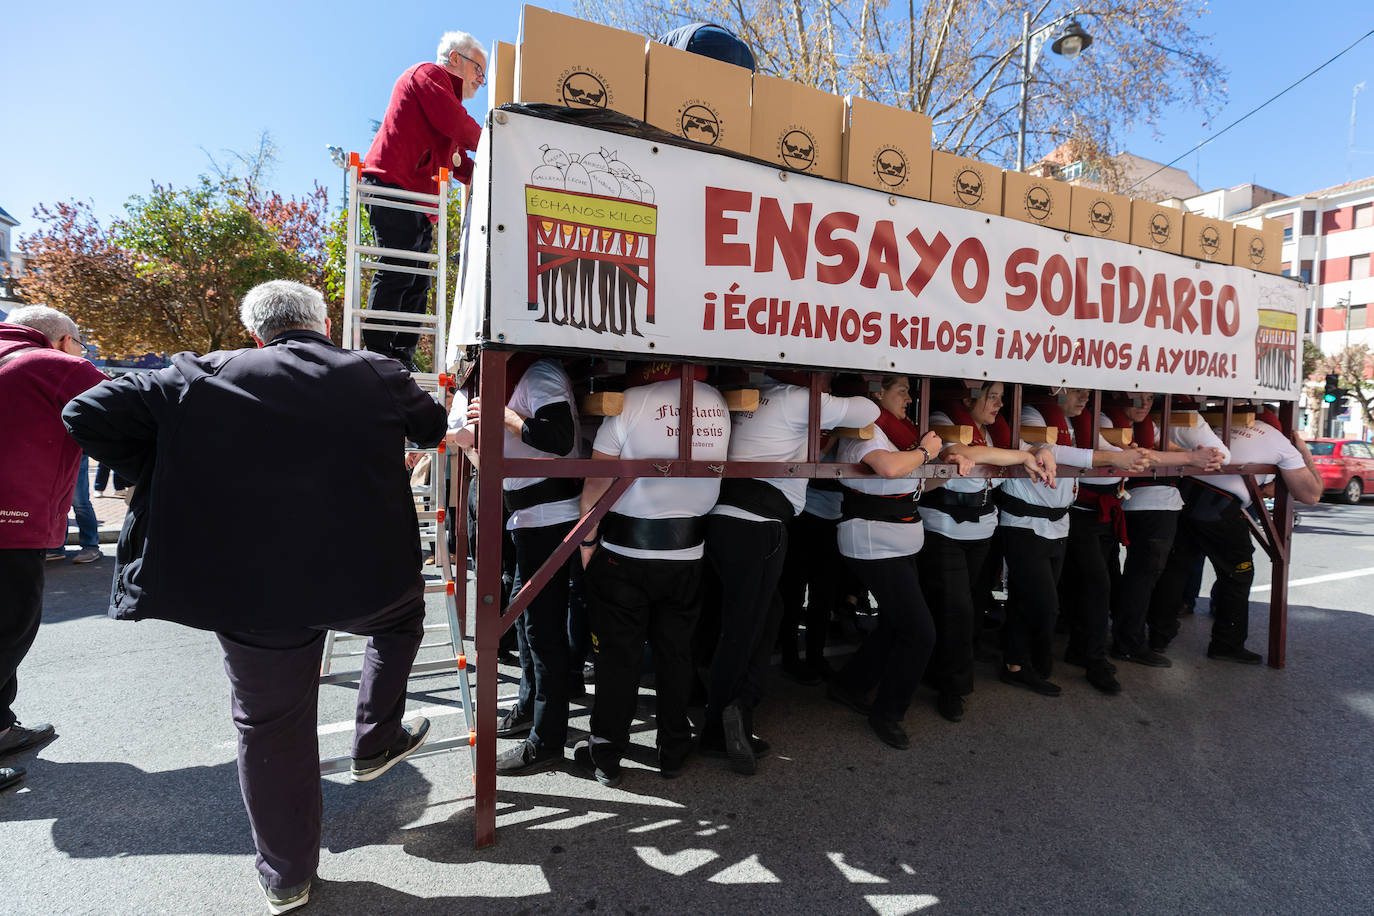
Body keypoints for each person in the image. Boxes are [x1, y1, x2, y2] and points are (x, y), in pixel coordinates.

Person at [63, 281, 447, 914]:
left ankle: (286, 876)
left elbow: (84, 413)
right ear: (324, 324)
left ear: (254, 333)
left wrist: (165, 469)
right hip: (365, 578)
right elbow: (432, 427)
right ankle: (375, 736)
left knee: (270, 729)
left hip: (253, 594)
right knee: (403, 620)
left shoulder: (193, 375)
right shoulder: (372, 371)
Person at [701, 370, 878, 775]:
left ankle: (735, 708)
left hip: (723, 518)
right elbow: (866, 409)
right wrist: (826, 401)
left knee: (767, 615)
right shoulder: (799, 397)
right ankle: (722, 722)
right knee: (743, 628)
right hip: (759, 524)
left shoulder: (751, 393)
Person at [574, 363, 730, 787]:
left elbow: (594, 488)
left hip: (626, 554)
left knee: (618, 658)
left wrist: (587, 544)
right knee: (676, 654)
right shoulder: (717, 402)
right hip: (688, 552)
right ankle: (674, 749)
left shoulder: (630, 404)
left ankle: (606, 754)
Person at [447, 355, 584, 775]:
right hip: (529, 516)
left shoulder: (539, 374)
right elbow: (463, 438)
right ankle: (530, 708)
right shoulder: (521, 376)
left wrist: (499, 415)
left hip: (550, 515)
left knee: (542, 630)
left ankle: (547, 737)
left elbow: (559, 438)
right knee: (528, 625)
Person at [825, 376, 976, 750]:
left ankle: (849, 686)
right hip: (872, 541)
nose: (911, 398)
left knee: (897, 624)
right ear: (877, 394)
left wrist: (948, 467)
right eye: (903, 390)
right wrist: (926, 452)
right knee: (920, 632)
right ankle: (888, 713)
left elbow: (914, 485)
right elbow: (890, 469)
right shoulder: (863, 431)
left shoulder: (899, 435)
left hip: (899, 540)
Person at [0, 306, 106, 776]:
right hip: (11, 517)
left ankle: (0, 728)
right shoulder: (52, 364)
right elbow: (131, 406)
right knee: (11, 625)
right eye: (80, 344)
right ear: (63, 340)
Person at [918, 380, 1057, 723]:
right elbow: (971, 454)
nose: (998, 404)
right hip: (944, 526)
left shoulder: (994, 432)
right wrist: (1025, 455)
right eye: (991, 397)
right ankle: (953, 688)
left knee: (970, 605)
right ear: (968, 398)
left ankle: (938, 669)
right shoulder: (942, 419)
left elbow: (1023, 447)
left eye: (1000, 397)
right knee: (956, 608)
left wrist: (1041, 449)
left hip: (983, 527)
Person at [996, 388, 1150, 697]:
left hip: (1058, 525)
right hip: (1024, 526)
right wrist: (1118, 457)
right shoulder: (1029, 417)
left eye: (1086, 393)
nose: (1084, 399)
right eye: (1076, 392)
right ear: (1056, 392)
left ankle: (1016, 664)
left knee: (1027, 600)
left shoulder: (1072, 426)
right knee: (1045, 605)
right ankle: (1032, 664)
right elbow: (1060, 453)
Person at [1149, 410, 1321, 663]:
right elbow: (1311, 494)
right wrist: (1304, 451)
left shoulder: (1224, 427)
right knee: (1239, 573)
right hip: (1217, 504)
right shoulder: (1281, 442)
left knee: (1176, 568)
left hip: (1184, 493)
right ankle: (1226, 644)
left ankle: (1157, 637)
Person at [361, 31, 485, 368]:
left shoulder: (446, 100)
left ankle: (402, 353)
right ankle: (377, 350)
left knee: (416, 279)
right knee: (398, 268)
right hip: (394, 183)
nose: (480, 80)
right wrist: (495, 139)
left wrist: (490, 173)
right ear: (455, 59)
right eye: (479, 70)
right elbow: (458, 126)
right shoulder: (429, 75)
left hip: (418, 199)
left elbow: (461, 160)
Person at [1106, 394, 1227, 665]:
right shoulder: (1109, 422)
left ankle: (1128, 637)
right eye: (1139, 397)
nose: (1144, 403)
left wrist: (1199, 457)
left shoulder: (1146, 425)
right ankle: (1128, 642)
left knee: (1141, 575)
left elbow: (1165, 450)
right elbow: (1144, 456)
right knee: (1142, 576)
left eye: (1150, 398)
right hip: (1146, 504)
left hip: (1148, 502)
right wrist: (1191, 457)